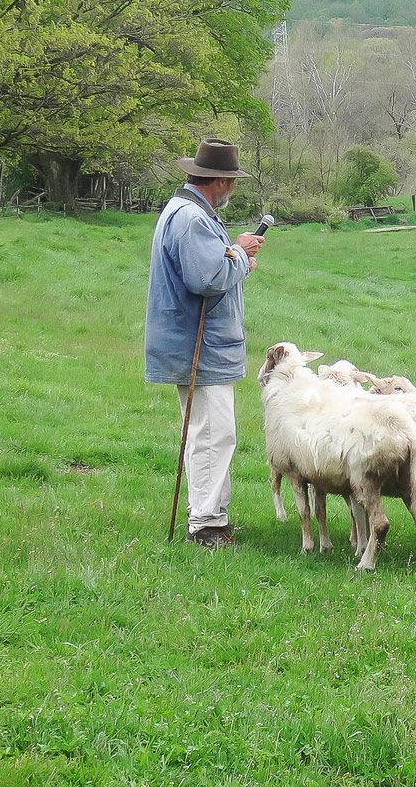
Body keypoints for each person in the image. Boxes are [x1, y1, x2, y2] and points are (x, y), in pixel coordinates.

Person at [144, 138, 264, 549]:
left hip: (201, 344)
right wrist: (239, 254)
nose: (232, 188)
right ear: (219, 182)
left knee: (206, 431)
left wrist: (233, 253)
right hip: (202, 346)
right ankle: (208, 525)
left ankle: (209, 515)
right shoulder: (193, 219)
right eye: (231, 181)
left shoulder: (186, 211)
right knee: (213, 433)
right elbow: (207, 279)